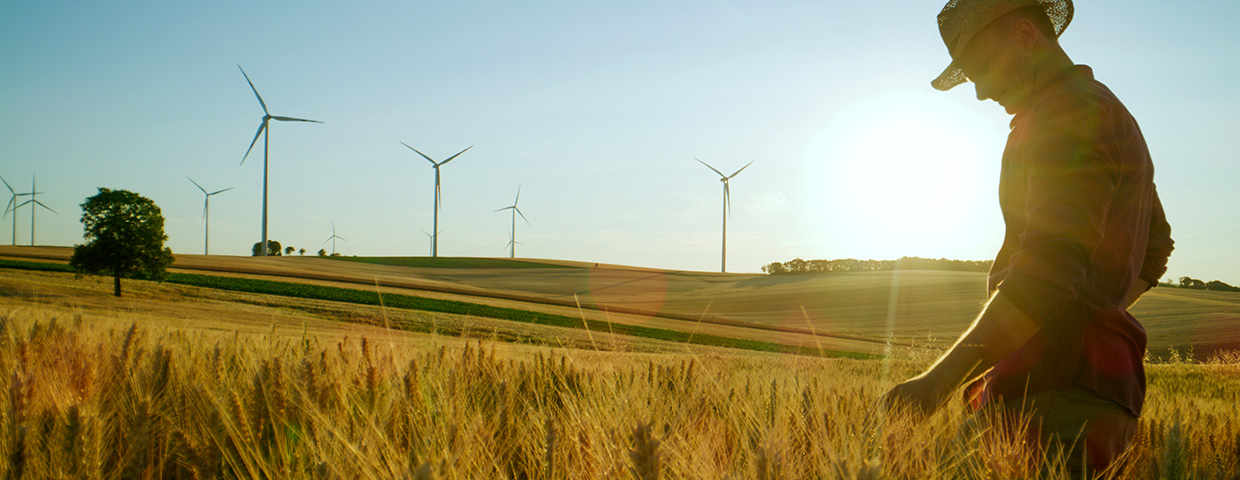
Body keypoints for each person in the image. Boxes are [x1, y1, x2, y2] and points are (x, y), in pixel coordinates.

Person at [880, 0, 1174, 475]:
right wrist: (1094, 307)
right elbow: (1154, 250)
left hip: (1052, 394)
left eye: (981, 69)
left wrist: (933, 385)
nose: (979, 92)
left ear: (1023, 35)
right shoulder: (1108, 110)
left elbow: (1049, 271)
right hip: (1097, 396)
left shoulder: (1063, 114)